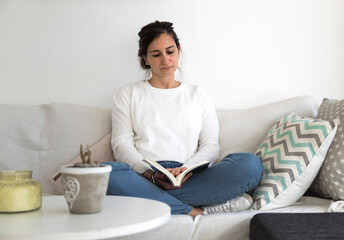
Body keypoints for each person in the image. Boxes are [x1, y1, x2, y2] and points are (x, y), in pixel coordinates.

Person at [105, 21, 263, 217]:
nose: (165, 60)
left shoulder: (198, 94)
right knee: (106, 173)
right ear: (145, 58)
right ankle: (196, 211)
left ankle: (156, 203)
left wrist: (186, 169)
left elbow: (211, 145)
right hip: (146, 177)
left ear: (178, 51)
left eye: (170, 51)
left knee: (250, 164)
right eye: (156, 54)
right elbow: (121, 144)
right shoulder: (127, 94)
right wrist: (151, 175)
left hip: (192, 178)